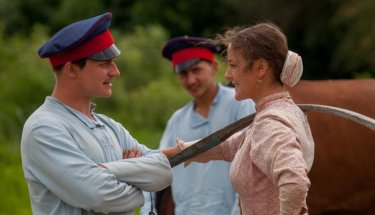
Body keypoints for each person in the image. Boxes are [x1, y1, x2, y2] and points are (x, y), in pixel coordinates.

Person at [20, 12, 172, 215]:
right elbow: (100, 196)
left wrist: (109, 170)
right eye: (104, 64)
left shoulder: (109, 126)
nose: (115, 72)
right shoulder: (44, 128)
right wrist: (139, 188)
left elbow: (162, 172)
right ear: (72, 69)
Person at [177, 23, 315, 214]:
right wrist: (170, 153)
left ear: (260, 68)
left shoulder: (270, 122)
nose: (227, 74)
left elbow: (295, 182)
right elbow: (232, 145)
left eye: (233, 65)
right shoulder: (281, 110)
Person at [140, 36, 255, 215]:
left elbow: (252, 166)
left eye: (196, 70)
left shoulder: (240, 104)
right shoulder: (177, 120)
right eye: (184, 74)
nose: (191, 80)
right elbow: (156, 167)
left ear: (214, 68)